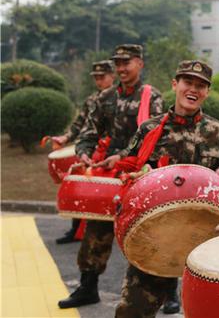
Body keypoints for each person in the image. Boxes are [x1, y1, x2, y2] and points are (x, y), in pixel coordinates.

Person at [109, 60, 219, 318]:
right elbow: (130, 164)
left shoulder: (218, 131)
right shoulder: (151, 129)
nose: (194, 89)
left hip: (205, 233)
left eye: (201, 85)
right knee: (134, 309)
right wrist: (136, 174)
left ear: (207, 92)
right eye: (188, 82)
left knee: (209, 310)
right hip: (156, 232)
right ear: (175, 84)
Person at [58, 44, 166, 310]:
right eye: (117, 63)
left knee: (149, 232)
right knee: (96, 229)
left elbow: (157, 138)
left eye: (126, 62)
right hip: (110, 175)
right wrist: (84, 152)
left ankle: (169, 291)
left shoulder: (151, 97)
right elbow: (89, 132)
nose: (120, 68)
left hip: (141, 174)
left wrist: (125, 157)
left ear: (139, 63)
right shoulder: (105, 97)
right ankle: (88, 286)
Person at [52, 60, 115, 244]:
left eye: (102, 77)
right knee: (80, 188)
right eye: (96, 77)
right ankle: (75, 230)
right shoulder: (92, 100)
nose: (98, 81)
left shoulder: (122, 98)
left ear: (113, 76)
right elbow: (80, 124)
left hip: (115, 153)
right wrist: (65, 138)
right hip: (92, 151)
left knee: (113, 194)